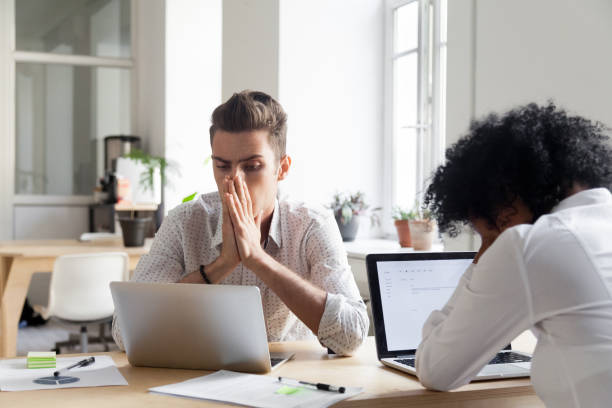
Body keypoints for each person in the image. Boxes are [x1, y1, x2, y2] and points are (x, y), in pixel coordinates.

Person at [112, 90, 368, 355]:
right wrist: (220, 266)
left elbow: (352, 336)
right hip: (197, 383)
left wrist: (258, 259)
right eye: (222, 166)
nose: (234, 180)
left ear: (282, 168)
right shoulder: (183, 223)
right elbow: (125, 332)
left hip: (290, 386)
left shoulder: (312, 226)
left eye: (252, 166)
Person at [415, 102, 612, 407]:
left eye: (490, 229)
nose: (495, 236)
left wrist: (485, 254)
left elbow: (436, 369)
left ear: (505, 195)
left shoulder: (530, 244)